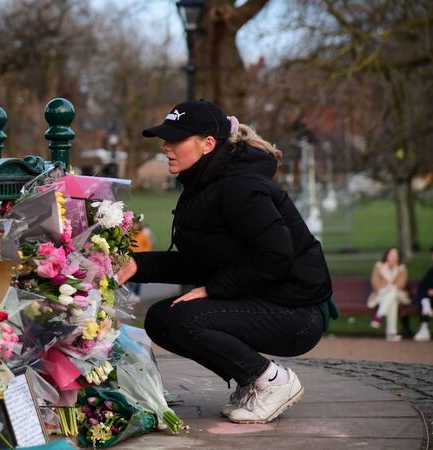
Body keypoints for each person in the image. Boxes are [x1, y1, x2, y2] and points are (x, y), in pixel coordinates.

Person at [117, 99, 335, 425]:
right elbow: (201, 261)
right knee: (162, 318)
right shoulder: (202, 184)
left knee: (185, 319)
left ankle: (273, 382)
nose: (165, 146)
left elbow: (276, 256)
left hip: (297, 314)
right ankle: (253, 381)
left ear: (207, 144)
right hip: (264, 299)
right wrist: (138, 266)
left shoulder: (241, 186)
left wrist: (212, 289)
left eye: (176, 139)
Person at [367, 247, 410, 342]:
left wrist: (391, 288)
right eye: (391, 255)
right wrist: (385, 289)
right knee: (392, 301)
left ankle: (379, 315)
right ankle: (391, 334)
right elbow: (375, 282)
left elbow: (401, 283)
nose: (393, 257)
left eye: (395, 255)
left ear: (398, 257)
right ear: (386, 256)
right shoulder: (379, 266)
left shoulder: (401, 268)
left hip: (398, 294)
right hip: (381, 295)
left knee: (393, 291)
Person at [413, 244, 433, 342]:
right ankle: (426, 305)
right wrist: (428, 291)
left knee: (423, 298)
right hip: (432, 297)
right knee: (422, 295)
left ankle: (424, 329)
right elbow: (423, 283)